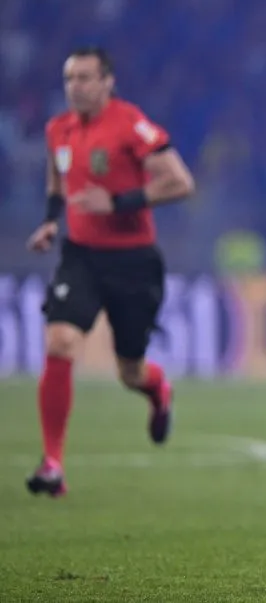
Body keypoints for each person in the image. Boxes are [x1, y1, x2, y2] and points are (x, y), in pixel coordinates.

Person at [24, 46, 196, 497]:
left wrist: (117, 202)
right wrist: (49, 221)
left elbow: (180, 181)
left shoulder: (130, 124)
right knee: (60, 341)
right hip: (80, 256)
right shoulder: (57, 130)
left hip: (132, 262)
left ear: (106, 81)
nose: (75, 87)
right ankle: (52, 464)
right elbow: (57, 180)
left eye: (84, 78)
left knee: (130, 371)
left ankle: (158, 390)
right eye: (69, 78)